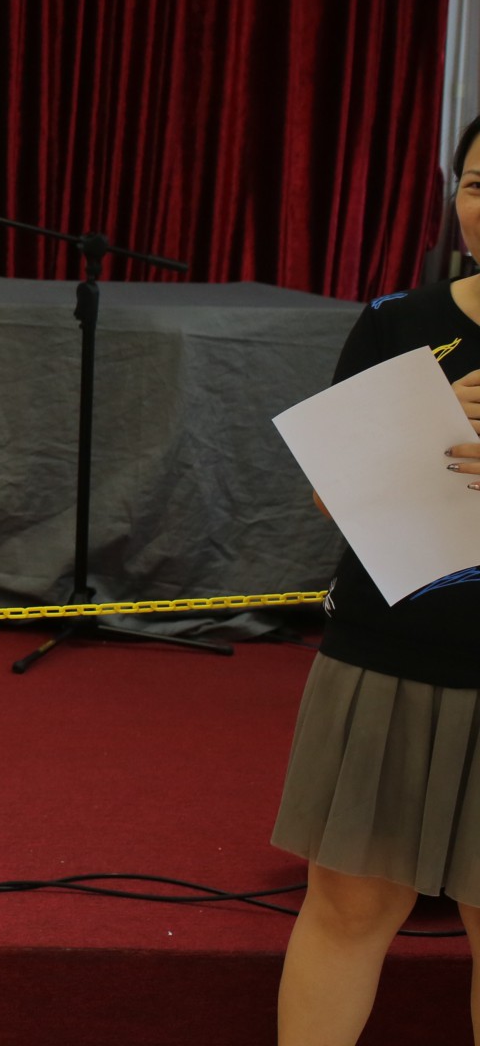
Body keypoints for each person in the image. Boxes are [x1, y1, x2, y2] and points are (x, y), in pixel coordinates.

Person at [272, 112, 480, 1044]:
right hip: (388, 655)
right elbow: (329, 498)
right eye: (476, 186)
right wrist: (423, 435)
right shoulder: (401, 323)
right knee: (350, 906)